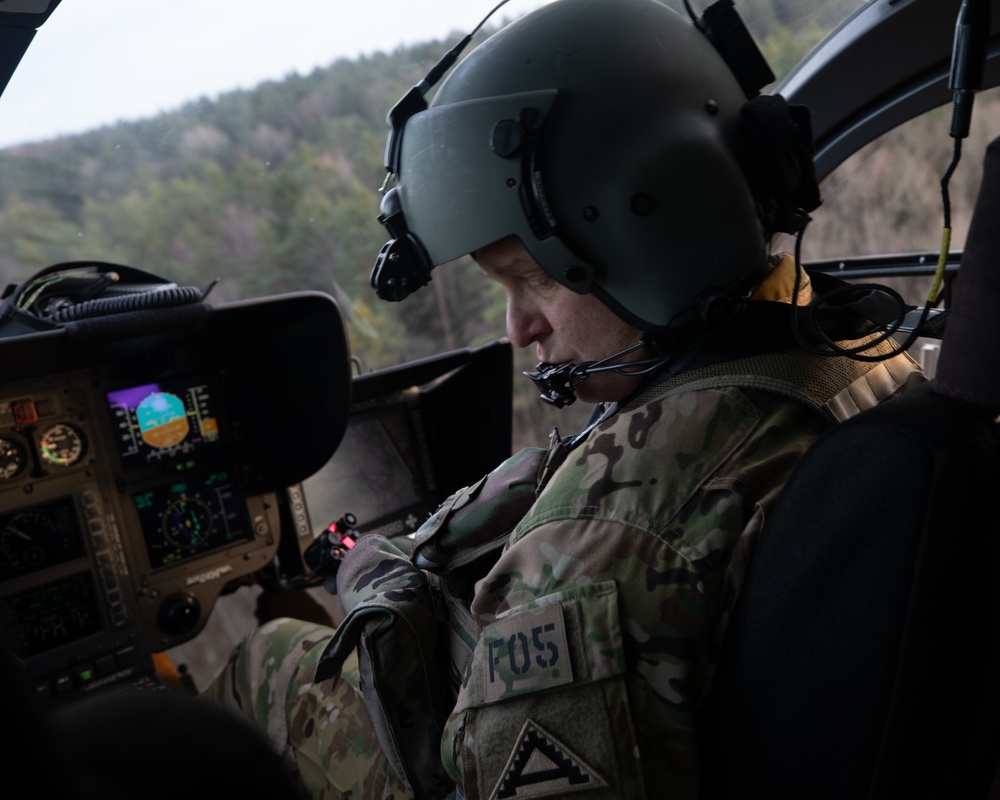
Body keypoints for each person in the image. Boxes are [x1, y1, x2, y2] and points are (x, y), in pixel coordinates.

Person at [202, 0, 925, 797]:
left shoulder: (597, 546)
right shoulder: (856, 351)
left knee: (262, 662)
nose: (518, 329)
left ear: (648, 225)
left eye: (531, 280)